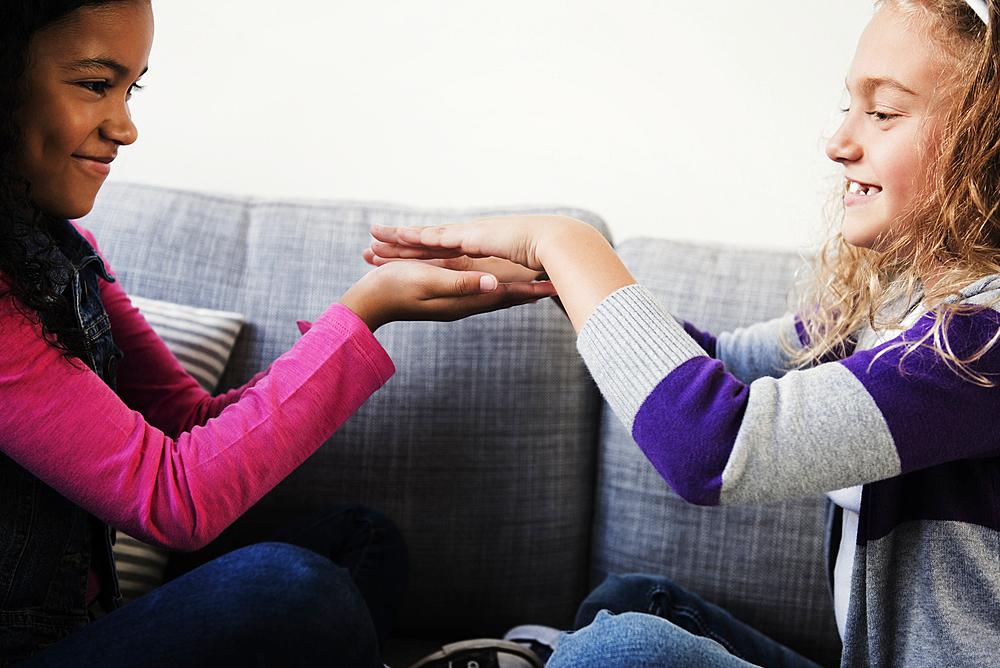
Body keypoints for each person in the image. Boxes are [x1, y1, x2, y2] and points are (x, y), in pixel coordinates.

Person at [367, 0, 1000, 665]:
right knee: (634, 599)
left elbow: (711, 445)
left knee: (622, 650)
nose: (839, 142)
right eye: (850, 105)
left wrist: (564, 239)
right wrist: (552, 277)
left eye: (884, 112)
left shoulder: (979, 344)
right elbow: (719, 365)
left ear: (984, 140)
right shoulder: (892, 305)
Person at [0, 1, 555, 666]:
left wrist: (370, 312)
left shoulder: (61, 253)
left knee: (360, 540)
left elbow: (186, 422)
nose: (125, 126)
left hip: (87, 628)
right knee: (289, 588)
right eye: (96, 84)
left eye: (132, 87)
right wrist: (364, 310)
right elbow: (170, 499)